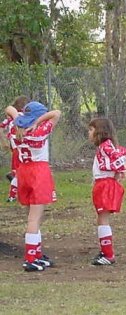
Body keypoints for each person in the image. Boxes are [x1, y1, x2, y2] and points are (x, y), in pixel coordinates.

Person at [5, 101, 61, 272]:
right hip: (38, 172)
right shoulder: (39, 131)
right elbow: (56, 113)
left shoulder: (15, 129)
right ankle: (30, 258)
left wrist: (19, 118)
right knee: (34, 218)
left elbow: (9, 109)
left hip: (23, 172)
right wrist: (36, 121)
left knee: (32, 216)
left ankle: (36, 254)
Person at [88, 118, 126, 266]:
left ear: (99, 131)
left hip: (105, 185)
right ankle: (105, 250)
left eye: (91, 129)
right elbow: (125, 152)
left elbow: (121, 157)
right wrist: (121, 169)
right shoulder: (105, 146)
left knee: (103, 219)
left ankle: (108, 254)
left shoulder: (106, 146)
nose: (89, 133)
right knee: (101, 219)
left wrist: (121, 170)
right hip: (102, 184)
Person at [1, 95, 30, 202]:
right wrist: (4, 140)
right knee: (20, 171)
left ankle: (15, 192)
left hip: (17, 147)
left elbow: (1, 126)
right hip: (20, 148)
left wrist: (4, 139)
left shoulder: (11, 118)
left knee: (20, 171)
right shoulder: (21, 117)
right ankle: (12, 195)